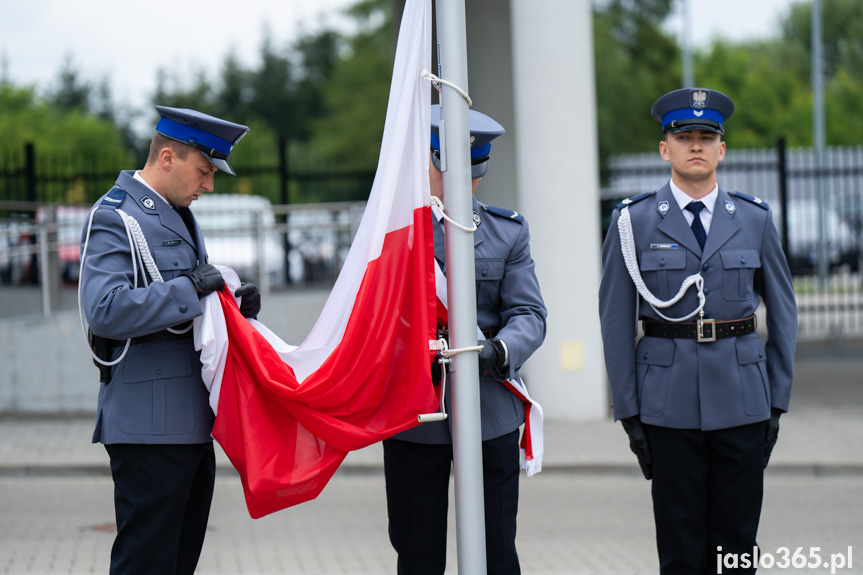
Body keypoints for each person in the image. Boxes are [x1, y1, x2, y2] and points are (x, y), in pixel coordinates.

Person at [598, 88, 798, 574]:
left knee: (736, 550)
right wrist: (628, 410)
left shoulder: (754, 219)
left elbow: (785, 312)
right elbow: (615, 319)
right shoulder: (634, 222)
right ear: (664, 148)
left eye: (707, 137)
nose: (696, 145)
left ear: (721, 150)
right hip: (667, 407)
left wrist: (776, 401)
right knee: (681, 549)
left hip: (743, 402)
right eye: (683, 135)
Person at [79, 106, 261, 575]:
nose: (208, 185)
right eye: (203, 172)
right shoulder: (116, 217)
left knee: (178, 564)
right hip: (147, 426)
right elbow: (104, 309)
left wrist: (231, 305)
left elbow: (184, 297)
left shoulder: (175, 215)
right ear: (166, 158)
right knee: (147, 564)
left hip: (189, 424)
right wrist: (191, 290)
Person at [382, 105, 548, 575]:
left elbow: (529, 313)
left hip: (488, 404)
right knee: (418, 554)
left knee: (497, 552)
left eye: (474, 172)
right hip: (416, 410)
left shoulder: (506, 231)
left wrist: (500, 350)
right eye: (452, 170)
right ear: (429, 164)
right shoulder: (394, 232)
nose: (465, 183)